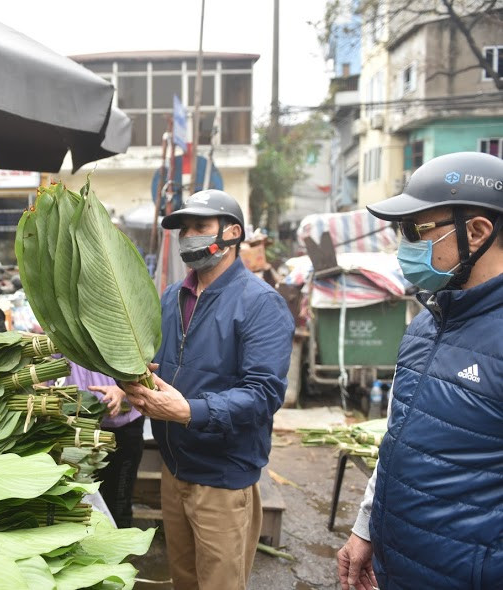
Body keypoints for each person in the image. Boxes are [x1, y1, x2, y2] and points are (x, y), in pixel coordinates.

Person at [336, 151, 503, 590]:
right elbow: (396, 437)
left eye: (415, 230)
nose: (402, 243)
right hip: (397, 568)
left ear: (478, 232)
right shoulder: (426, 324)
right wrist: (366, 527)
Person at [115, 189, 294, 589]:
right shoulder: (170, 298)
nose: (189, 236)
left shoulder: (260, 303)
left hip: (222, 479)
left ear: (232, 233)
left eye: (200, 226)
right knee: (185, 580)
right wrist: (130, 377)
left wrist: (188, 411)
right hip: (174, 469)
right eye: (183, 228)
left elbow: (263, 395)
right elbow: (152, 363)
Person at [63, 363, 145, 529]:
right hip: (75, 425)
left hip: (121, 427)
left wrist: (122, 390)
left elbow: (150, 375)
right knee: (76, 498)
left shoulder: (127, 338)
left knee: (118, 501)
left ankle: (120, 550)